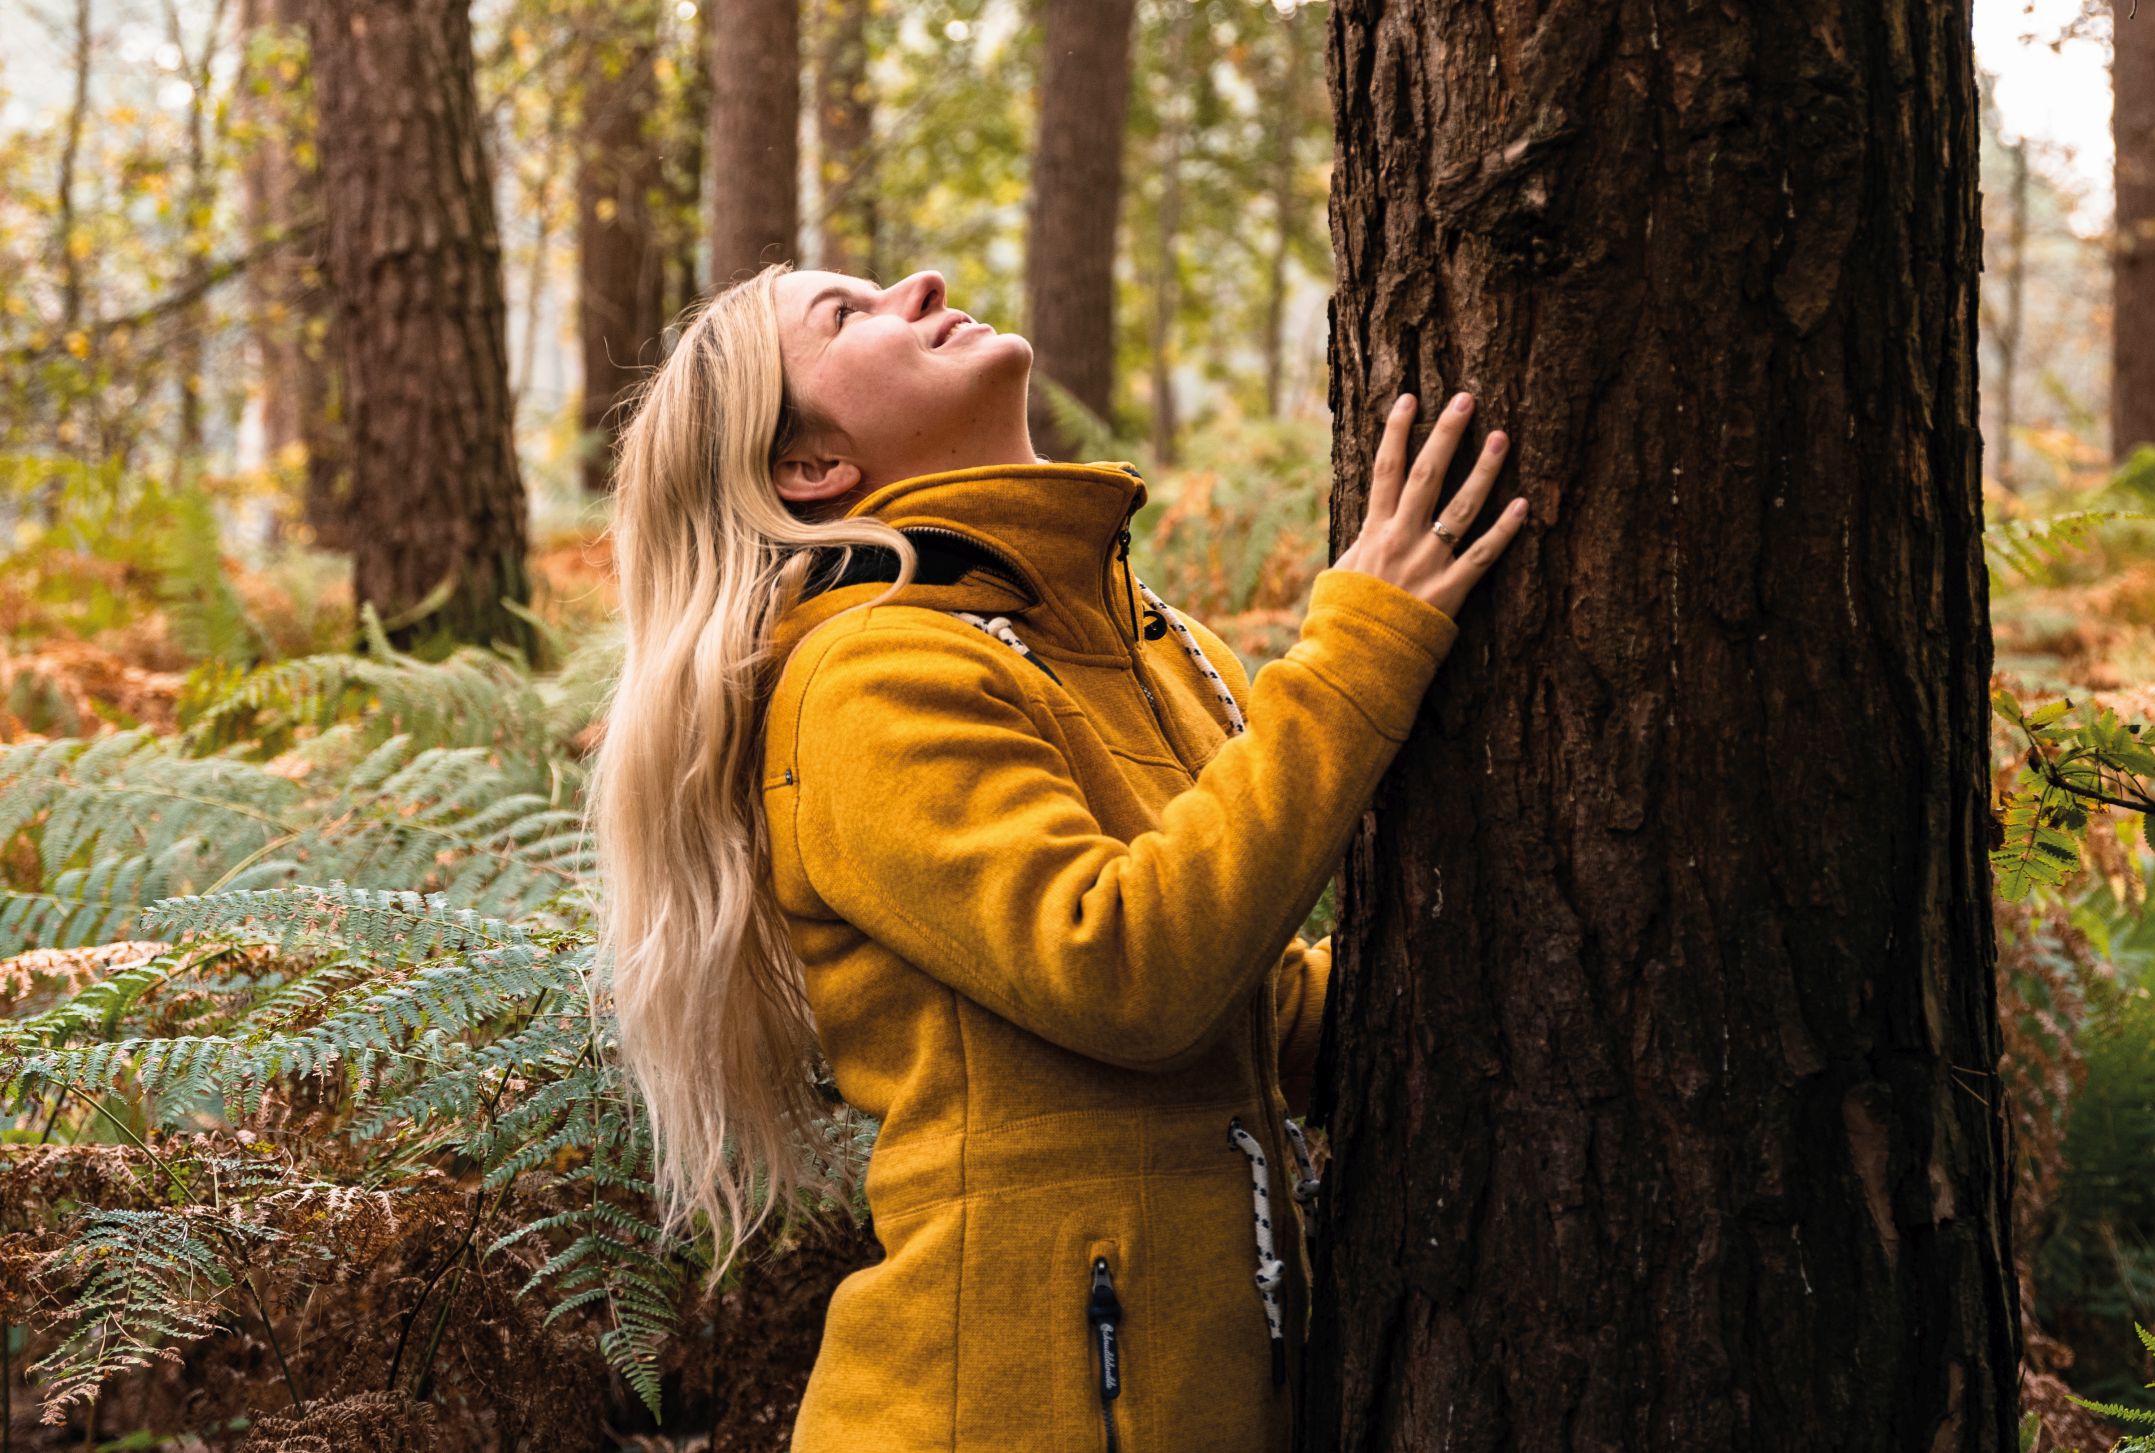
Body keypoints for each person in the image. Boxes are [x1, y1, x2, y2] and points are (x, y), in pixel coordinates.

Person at [589, 260, 1526, 1452]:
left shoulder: (1151, 644)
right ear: (812, 469)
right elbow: (1123, 964)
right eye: (849, 315)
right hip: (991, 1411)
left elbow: (1259, 1004)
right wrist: (1358, 652)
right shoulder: (868, 681)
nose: (918, 284)